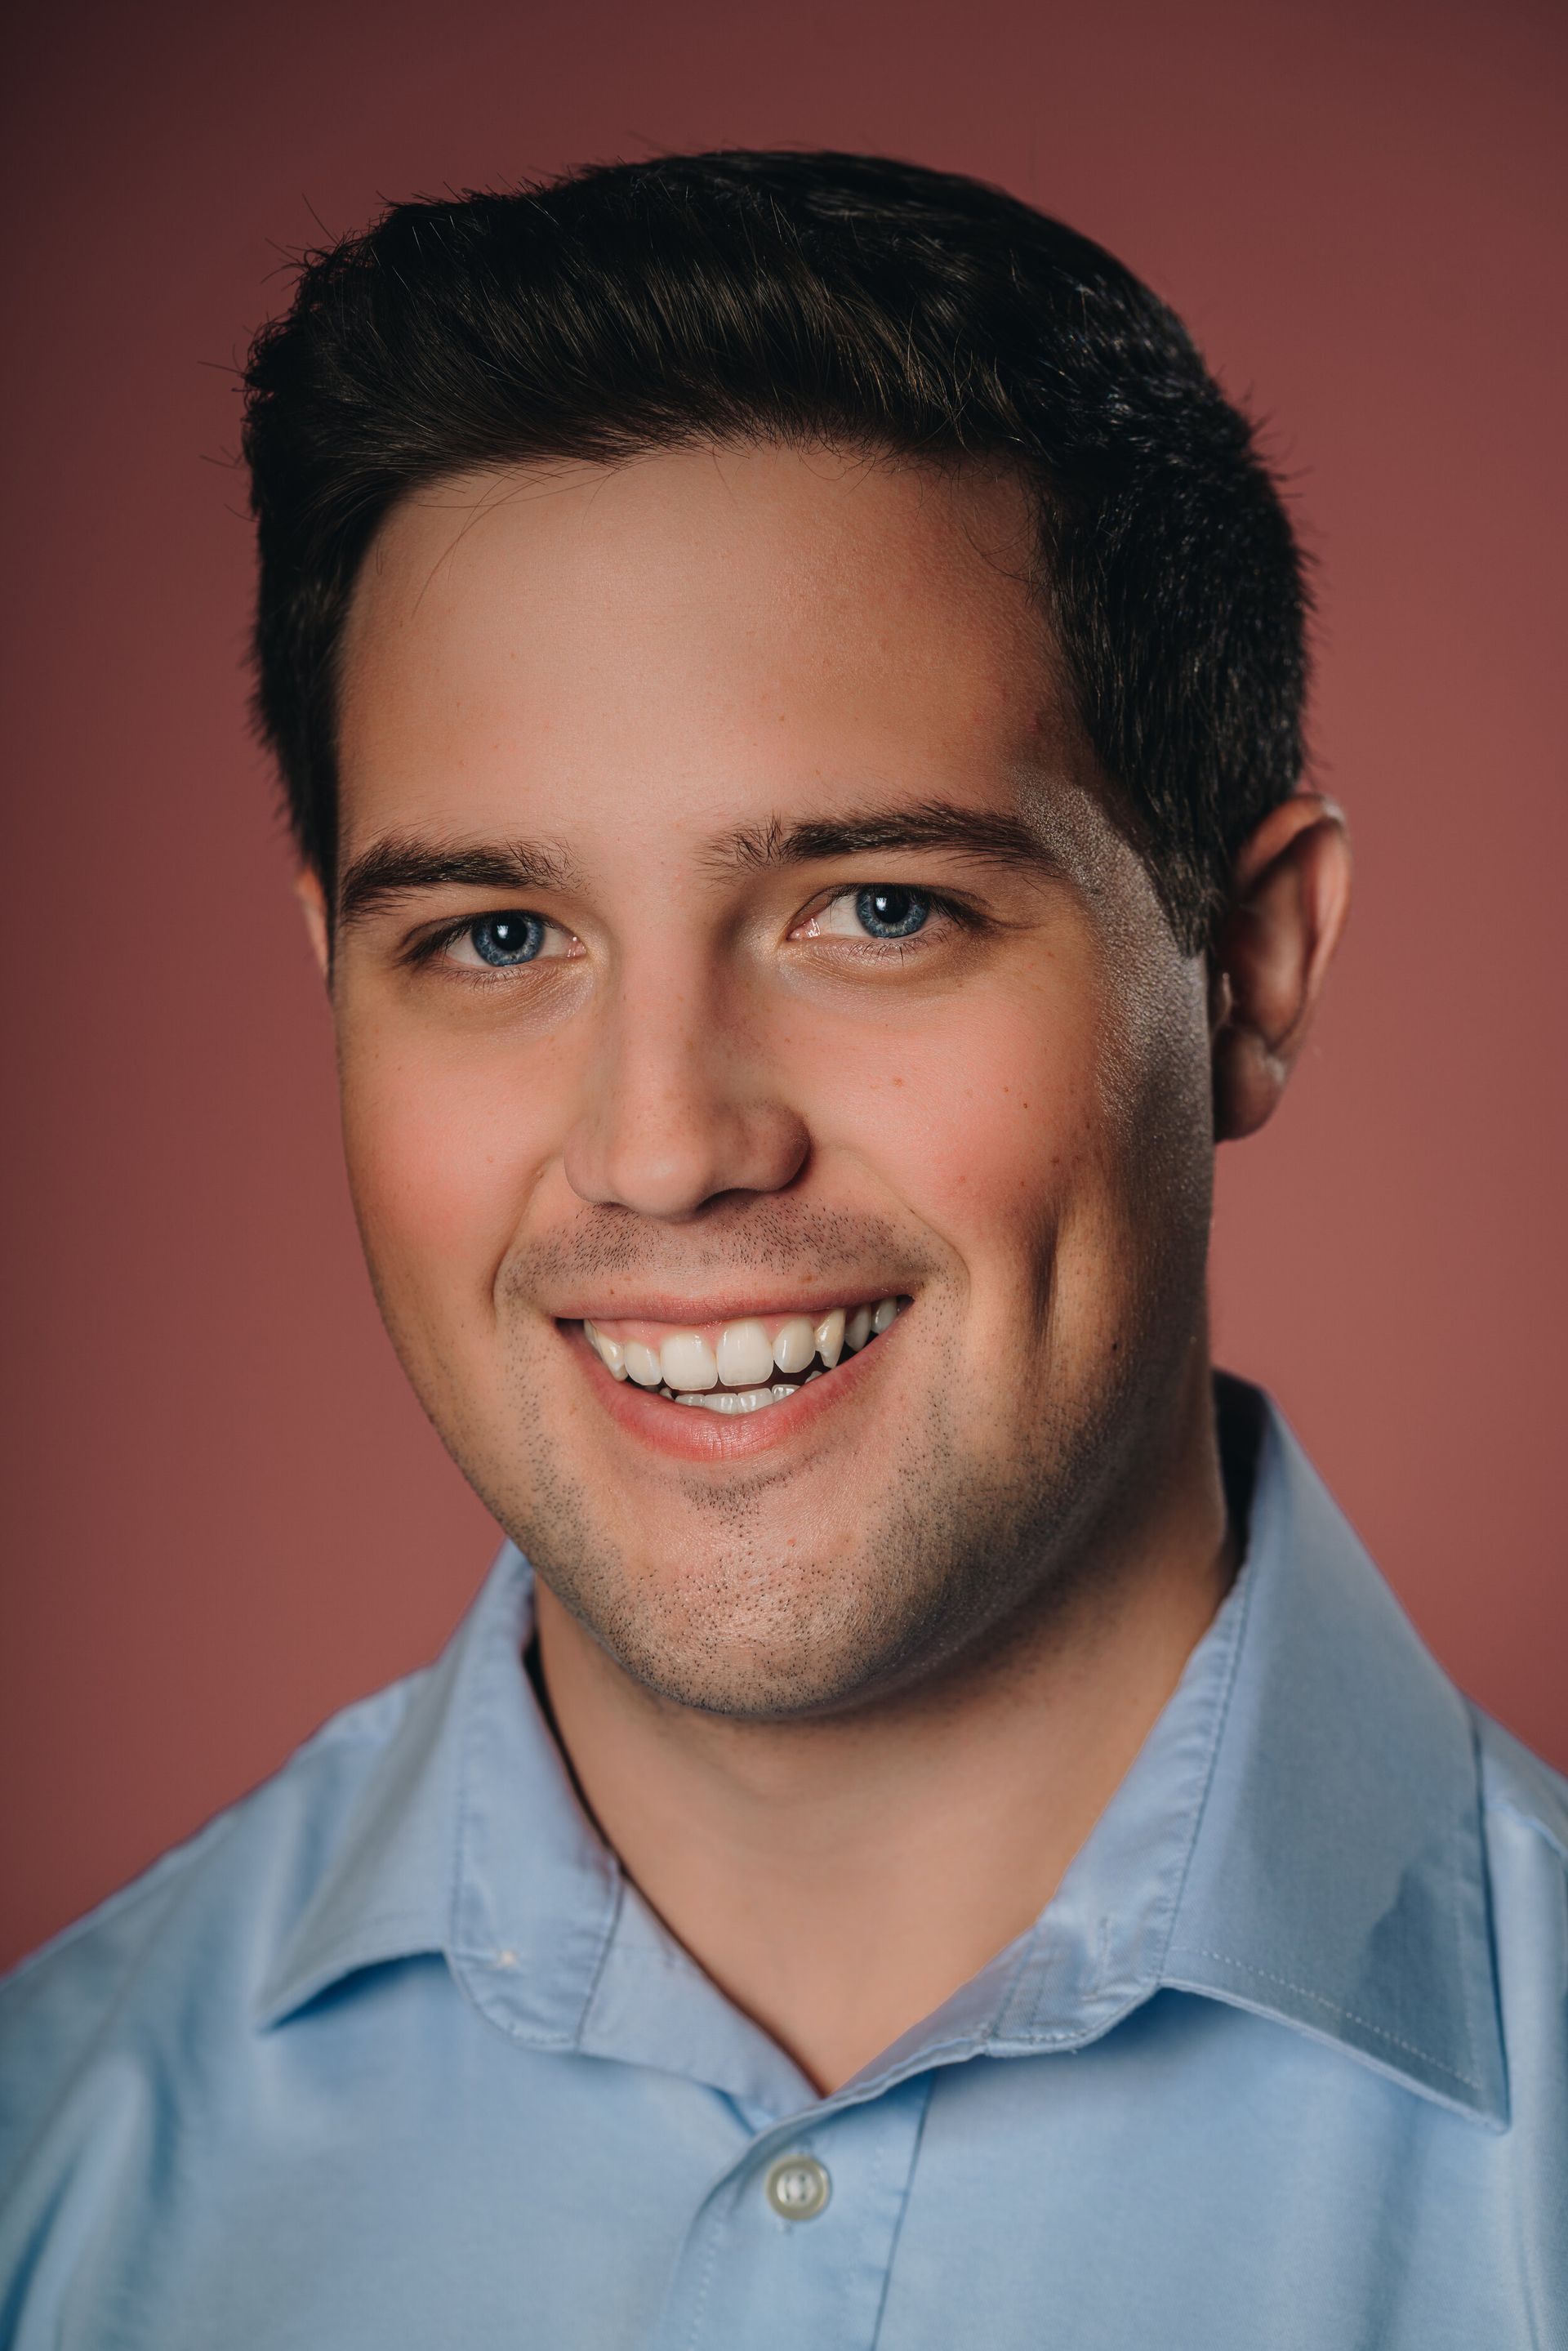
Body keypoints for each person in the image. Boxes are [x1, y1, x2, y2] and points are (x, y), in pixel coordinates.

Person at [1, 149, 1561, 2349]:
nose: (660, 1150)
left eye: (881, 910)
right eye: (496, 935)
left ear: (1251, 969)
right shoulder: (47, 2167)